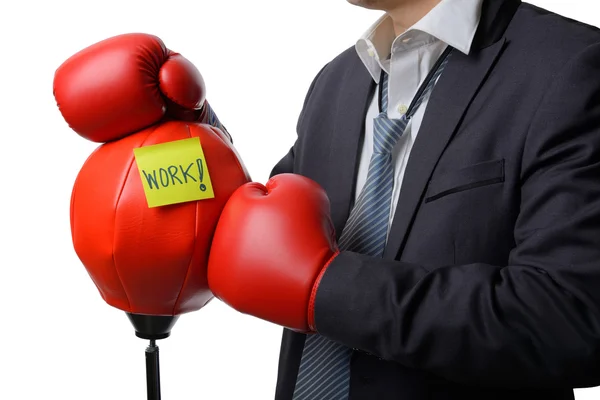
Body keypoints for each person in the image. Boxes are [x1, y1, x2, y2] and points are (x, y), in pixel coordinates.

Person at [206, 0, 600, 399]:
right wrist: (190, 138)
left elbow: (571, 317)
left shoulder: (570, 65)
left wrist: (330, 288)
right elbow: (258, 236)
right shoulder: (335, 81)